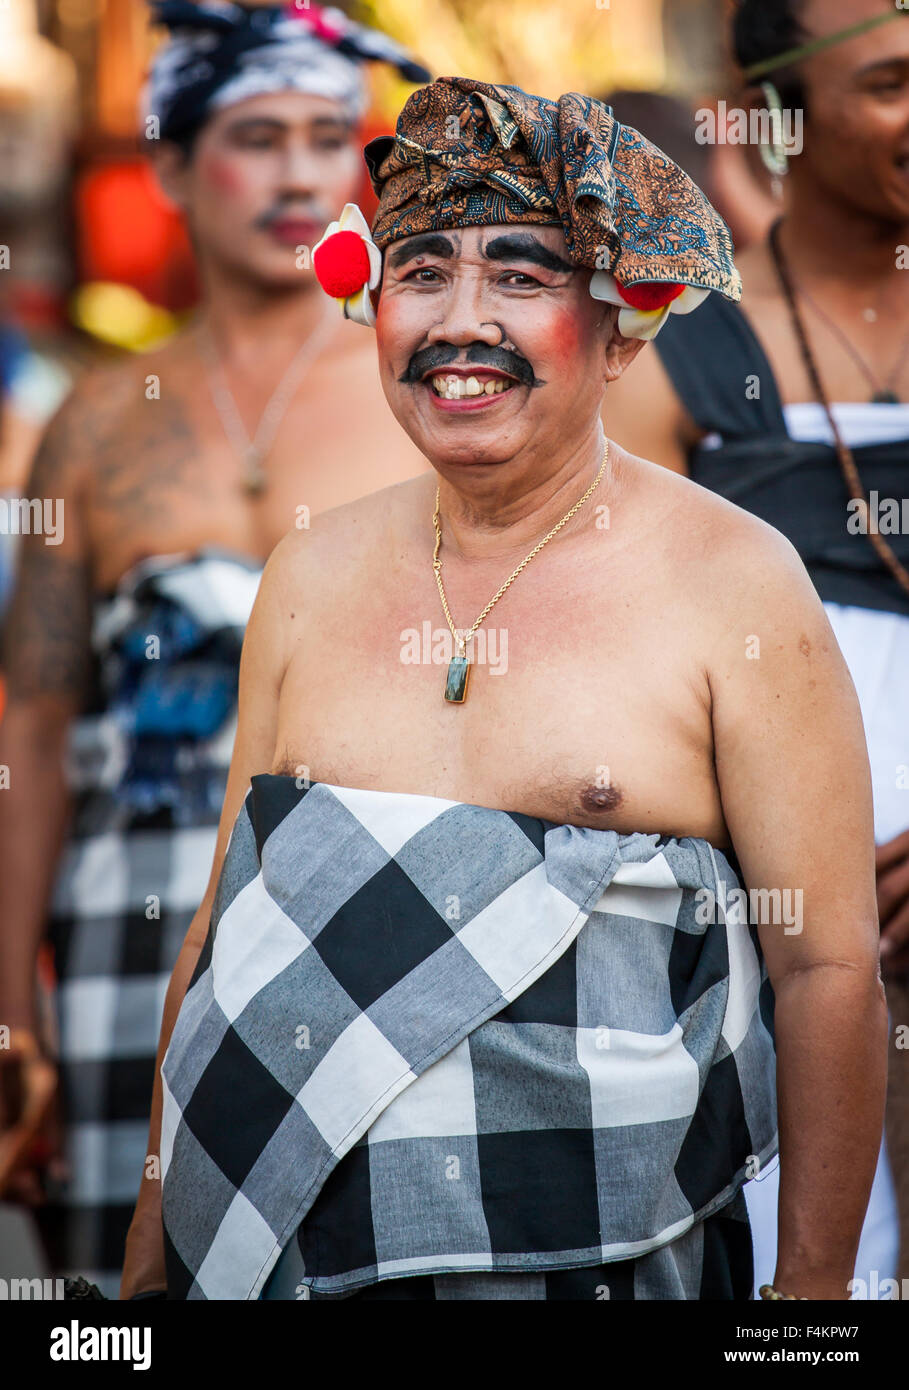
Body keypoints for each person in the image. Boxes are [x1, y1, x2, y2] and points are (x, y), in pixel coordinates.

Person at [121, 74, 886, 1302]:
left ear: (625, 323)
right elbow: (223, 932)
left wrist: (809, 1306)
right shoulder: (308, 572)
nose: (459, 324)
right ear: (366, 300)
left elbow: (829, 973)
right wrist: (151, 1257)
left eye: (521, 279)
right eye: (421, 273)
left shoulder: (737, 585)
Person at [0, 0, 430, 1297]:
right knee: (128, 1291)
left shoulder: (425, 382)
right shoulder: (93, 424)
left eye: (325, 137)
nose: (301, 172)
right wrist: (10, 1011)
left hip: (374, 919)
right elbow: (28, 727)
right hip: (131, 934)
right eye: (257, 135)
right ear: (176, 167)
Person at [607, 0, 909, 1290]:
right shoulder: (676, 354)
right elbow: (608, 669)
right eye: (893, 85)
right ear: (778, 118)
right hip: (757, 950)